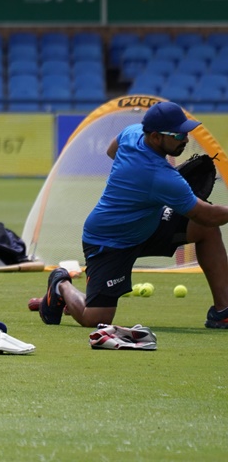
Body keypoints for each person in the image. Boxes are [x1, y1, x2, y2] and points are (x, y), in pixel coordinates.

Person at [40, 100, 228, 330]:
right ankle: (61, 284)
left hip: (148, 226)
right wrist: (144, 183)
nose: (186, 140)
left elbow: (112, 150)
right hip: (109, 241)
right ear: (157, 137)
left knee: (205, 231)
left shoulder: (133, 132)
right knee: (96, 319)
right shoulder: (160, 178)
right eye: (179, 136)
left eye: (186, 133)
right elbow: (206, 214)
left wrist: (133, 186)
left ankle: (223, 311)